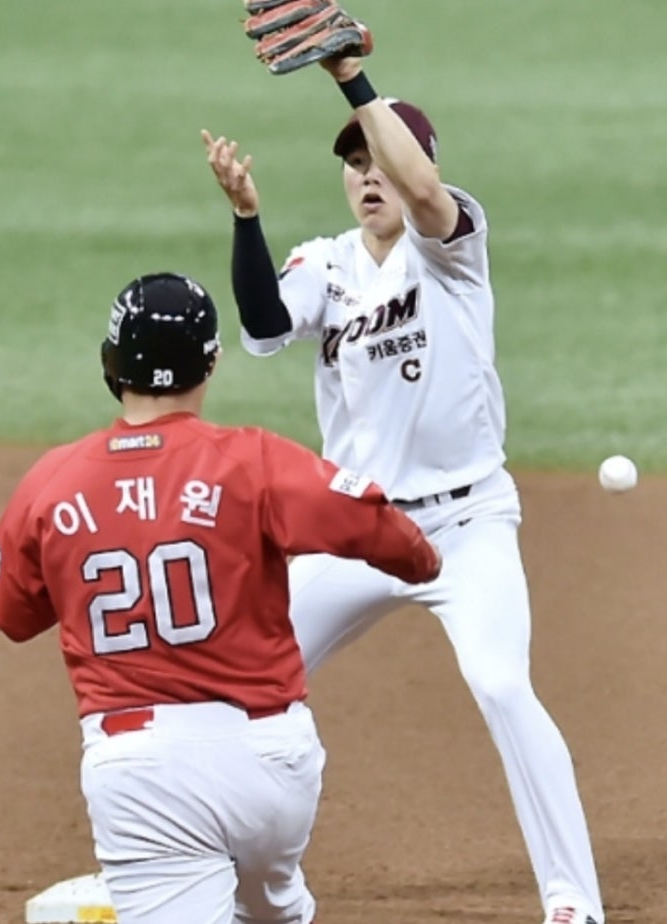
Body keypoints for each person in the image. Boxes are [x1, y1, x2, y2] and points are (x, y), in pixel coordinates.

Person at [201, 45, 605, 924]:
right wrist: (245, 218)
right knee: (235, 683)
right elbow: (266, 324)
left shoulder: (452, 246)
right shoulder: (328, 264)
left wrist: (350, 77)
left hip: (467, 528)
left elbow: (425, 195)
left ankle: (573, 903)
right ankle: (230, 890)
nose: (366, 176)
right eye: (352, 164)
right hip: (361, 531)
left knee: (501, 683)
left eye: (378, 158)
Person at [0, 271, 442, 924]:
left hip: (138, 775)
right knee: (270, 908)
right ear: (211, 361)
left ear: (110, 364)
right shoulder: (252, 461)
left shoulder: (52, 482)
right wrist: (422, 558)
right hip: (270, 767)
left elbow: (8, 613)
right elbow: (384, 532)